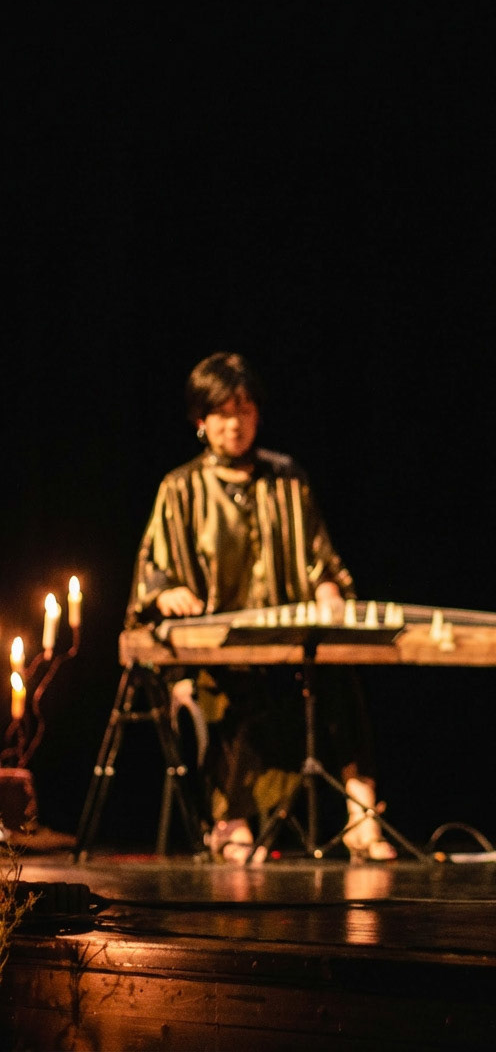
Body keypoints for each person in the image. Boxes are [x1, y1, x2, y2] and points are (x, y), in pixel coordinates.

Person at [125, 351, 397, 865]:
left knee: (340, 676)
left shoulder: (286, 478)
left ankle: (361, 815)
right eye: (222, 413)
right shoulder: (181, 488)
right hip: (217, 652)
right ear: (201, 420)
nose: (235, 424)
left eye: (244, 411)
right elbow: (153, 570)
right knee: (227, 691)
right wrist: (164, 593)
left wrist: (327, 589)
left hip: (284, 644)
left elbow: (321, 559)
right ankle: (231, 822)